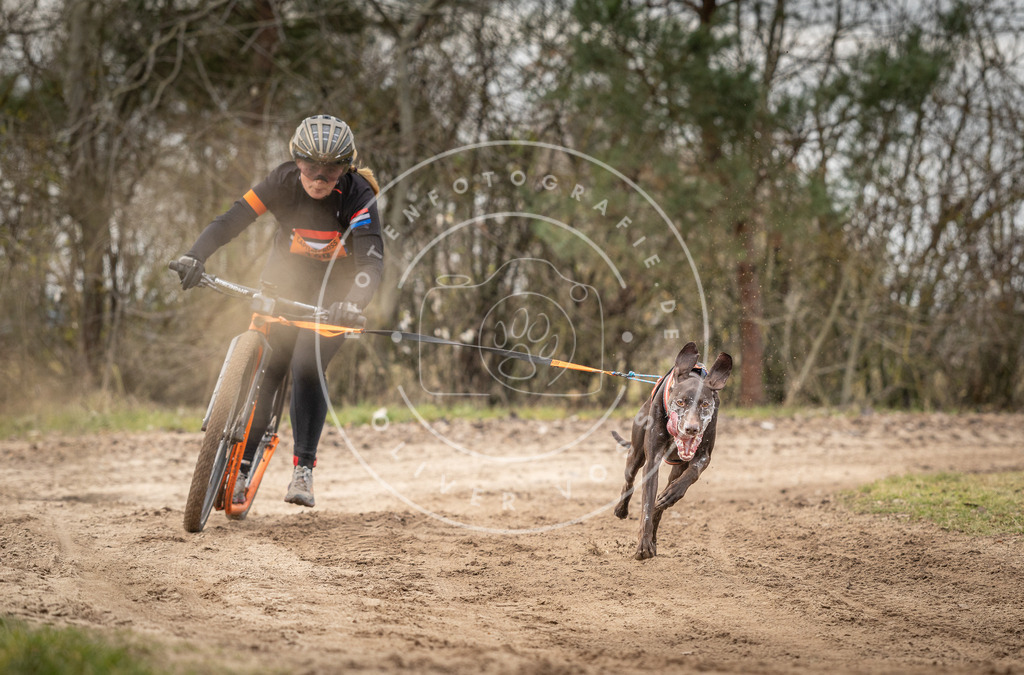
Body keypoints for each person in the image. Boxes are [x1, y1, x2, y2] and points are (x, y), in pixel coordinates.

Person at [175, 114, 384, 508]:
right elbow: (232, 220)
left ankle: (303, 468)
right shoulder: (281, 181)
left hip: (336, 293)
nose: (319, 178)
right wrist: (194, 255)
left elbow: (371, 264)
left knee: (306, 363)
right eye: (310, 167)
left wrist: (352, 304)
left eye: (330, 170)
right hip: (287, 279)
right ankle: (241, 466)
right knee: (270, 366)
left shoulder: (358, 195)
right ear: (296, 161)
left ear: (346, 168)